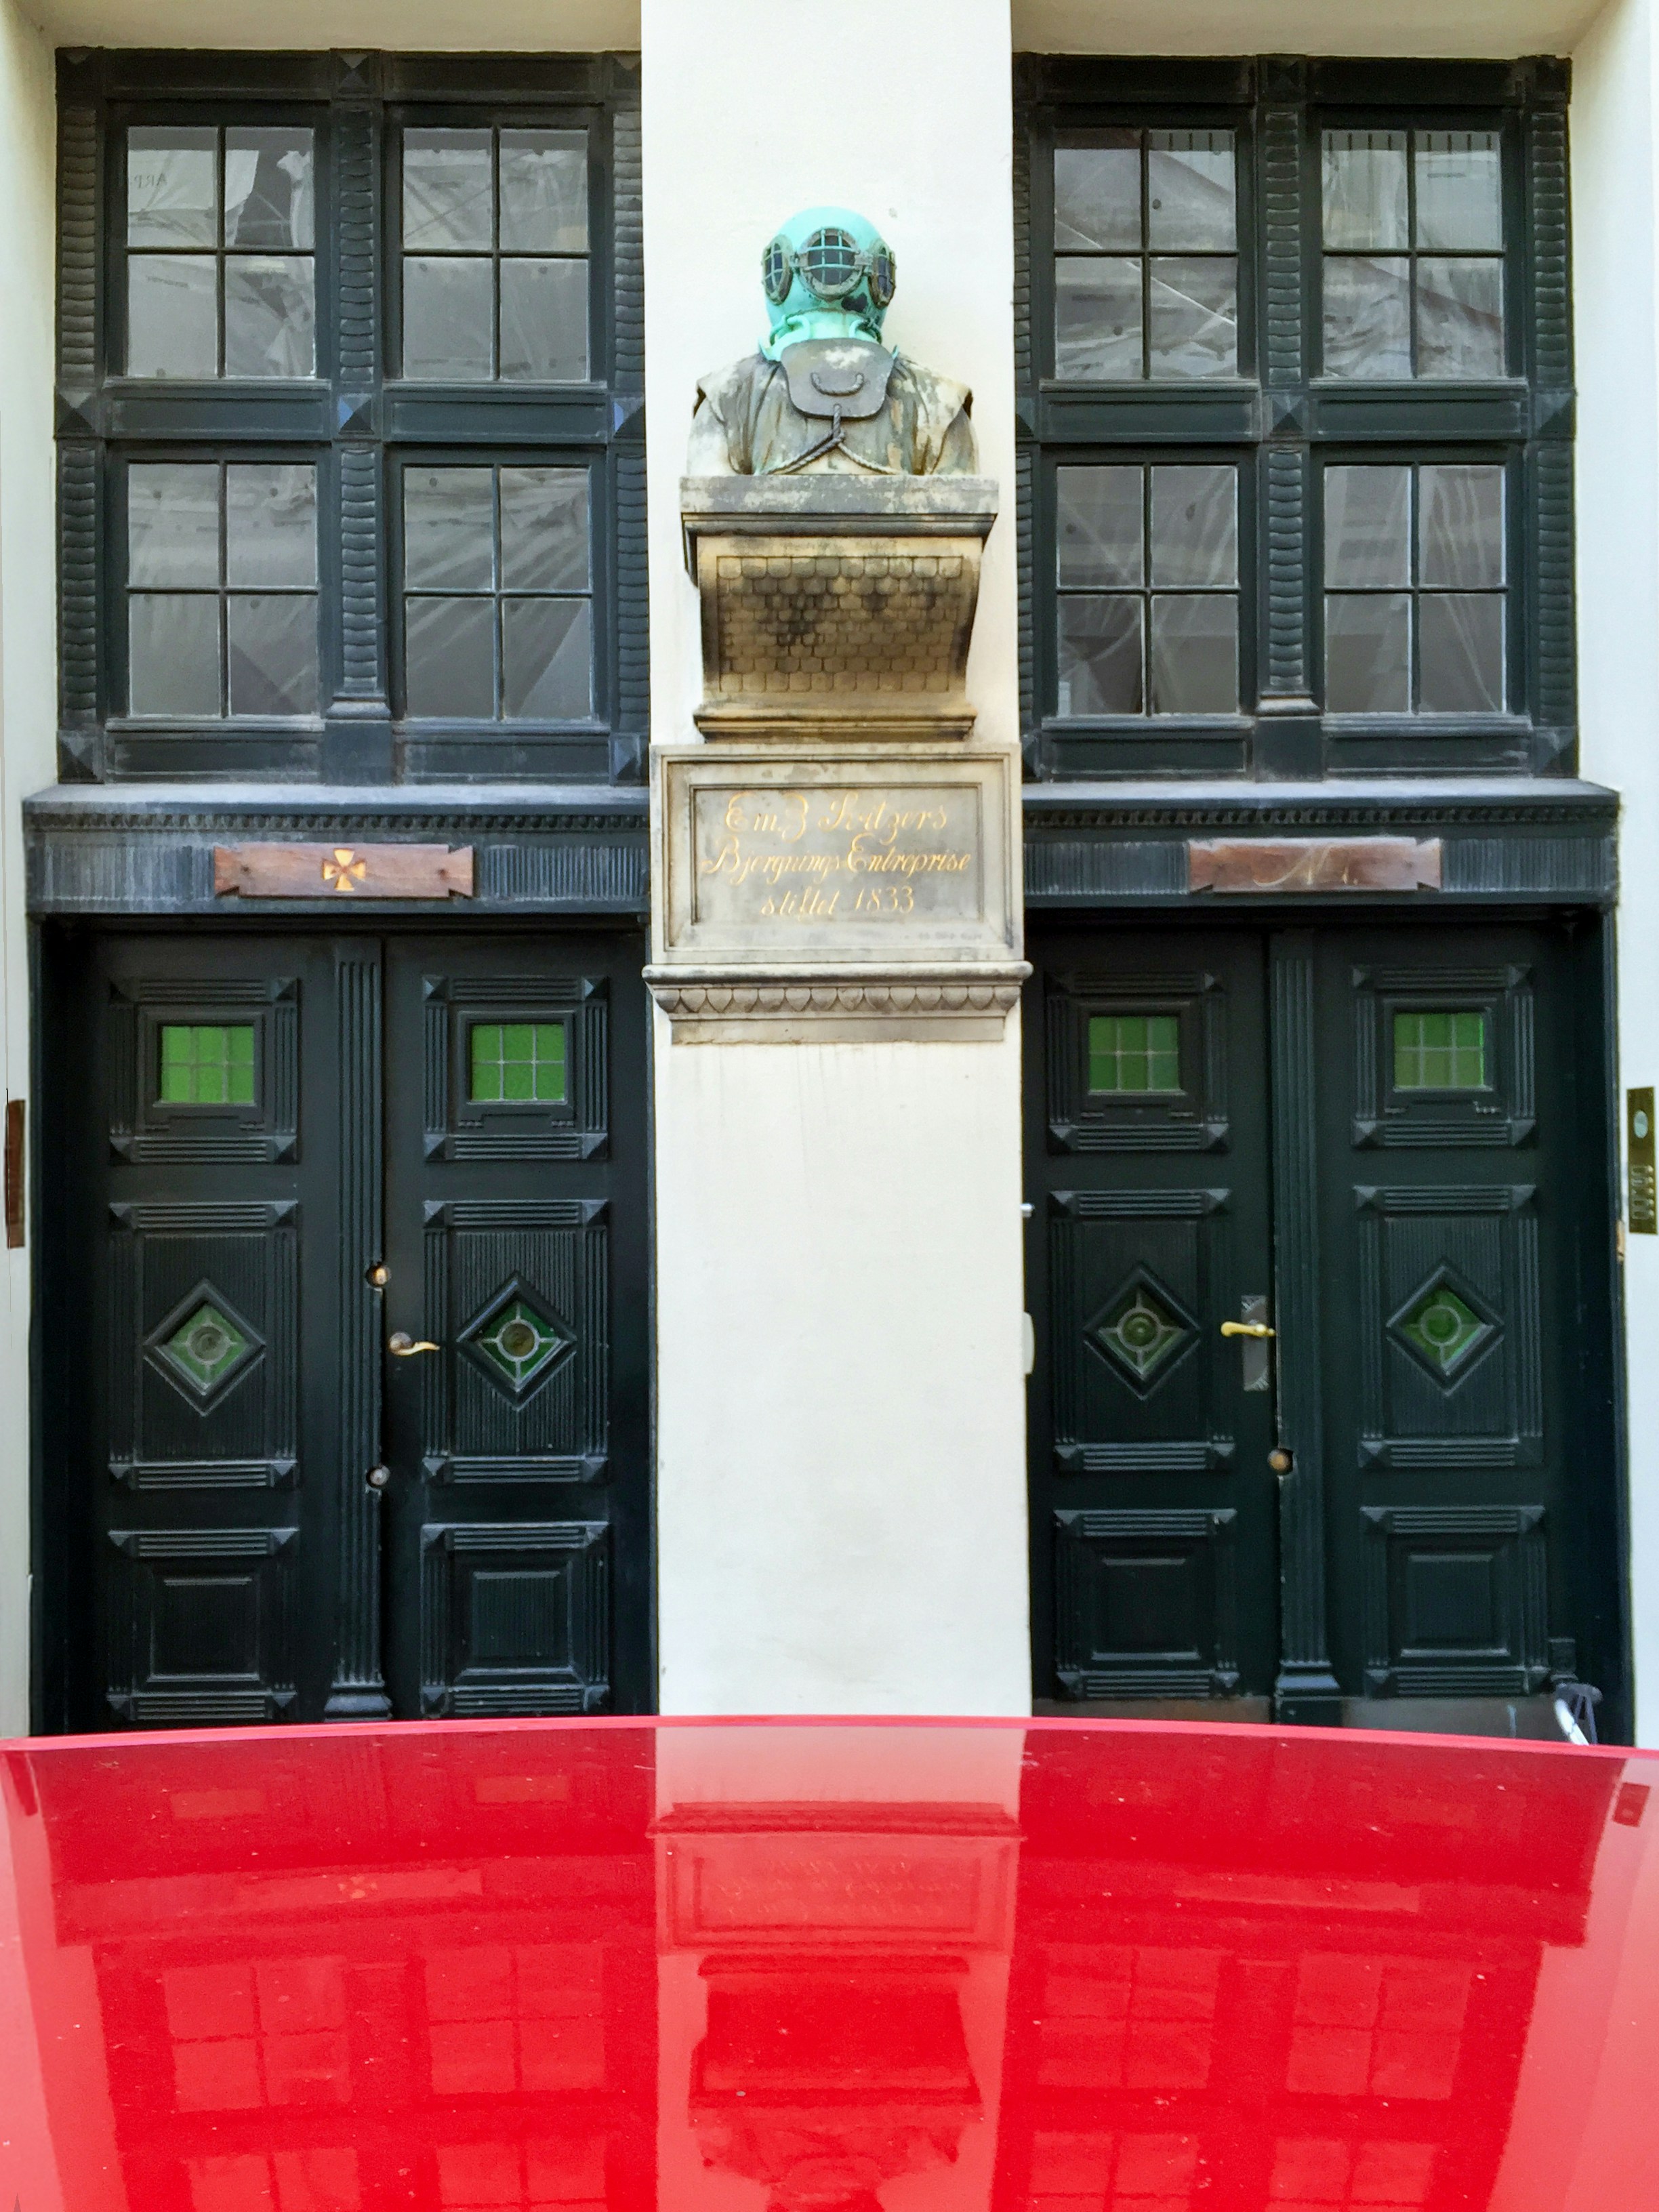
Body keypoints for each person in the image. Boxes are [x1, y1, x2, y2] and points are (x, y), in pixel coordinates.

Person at [687, 205, 977, 478]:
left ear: (780, 277)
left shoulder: (727, 397)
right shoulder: (938, 403)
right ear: (879, 279)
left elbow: (709, 511)